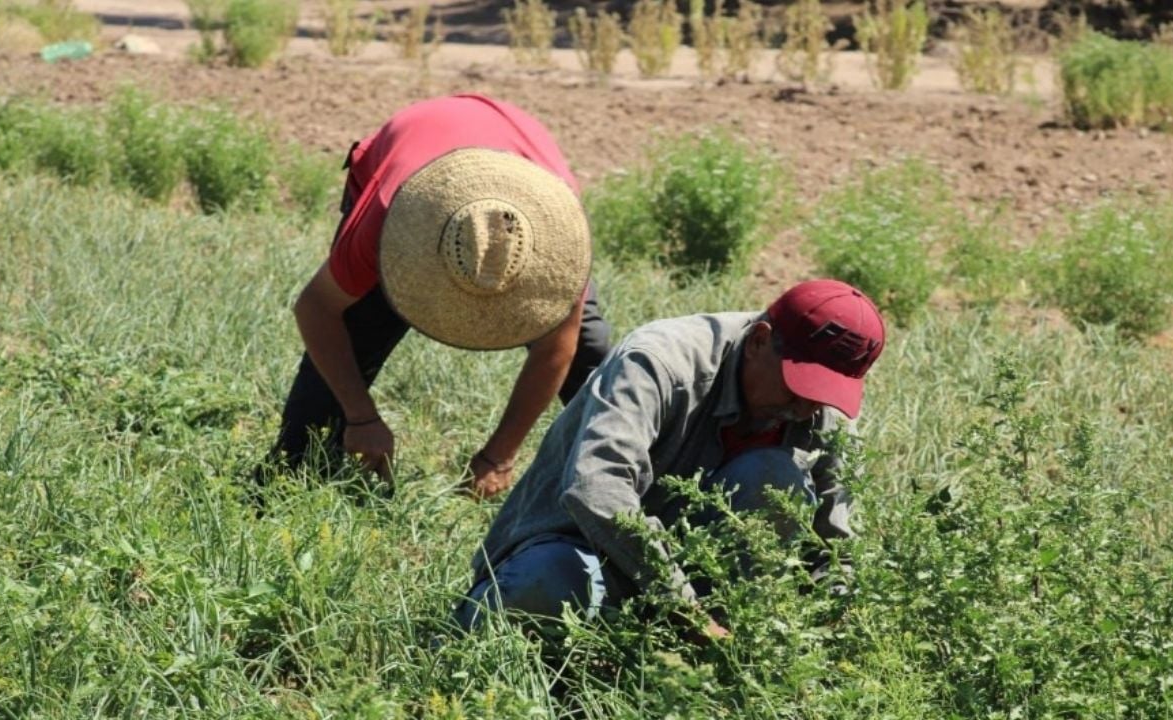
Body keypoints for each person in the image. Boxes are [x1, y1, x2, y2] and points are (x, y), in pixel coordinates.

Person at [454, 279, 885, 637]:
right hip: (581, 553)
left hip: (691, 589)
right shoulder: (659, 361)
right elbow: (597, 490)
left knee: (776, 476)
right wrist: (686, 610)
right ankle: (474, 630)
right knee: (550, 581)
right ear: (759, 341)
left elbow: (836, 549)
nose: (807, 408)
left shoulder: (820, 409)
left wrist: (838, 630)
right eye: (798, 387)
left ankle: (695, 646)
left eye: (822, 396)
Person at [266, 95, 612, 498]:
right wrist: (361, 418)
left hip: (515, 157)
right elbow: (317, 308)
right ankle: (292, 475)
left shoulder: (561, 234)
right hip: (415, 156)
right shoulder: (387, 222)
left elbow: (558, 347)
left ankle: (623, 478)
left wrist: (499, 455)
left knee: (590, 354)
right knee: (353, 337)